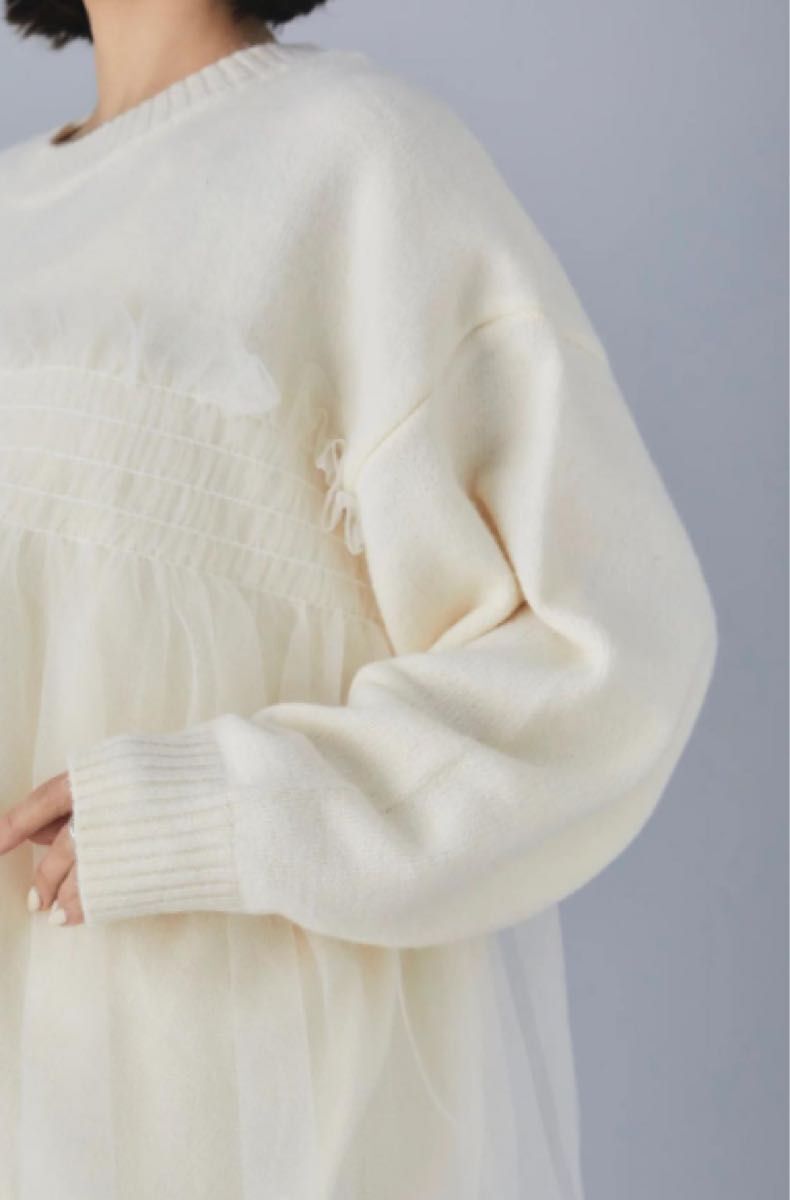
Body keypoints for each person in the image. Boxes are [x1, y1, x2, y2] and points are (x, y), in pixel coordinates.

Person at [0, 2, 719, 1197]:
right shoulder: (11, 211)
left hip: (245, 1093)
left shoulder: (363, 162)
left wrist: (230, 806)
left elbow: (618, 648)